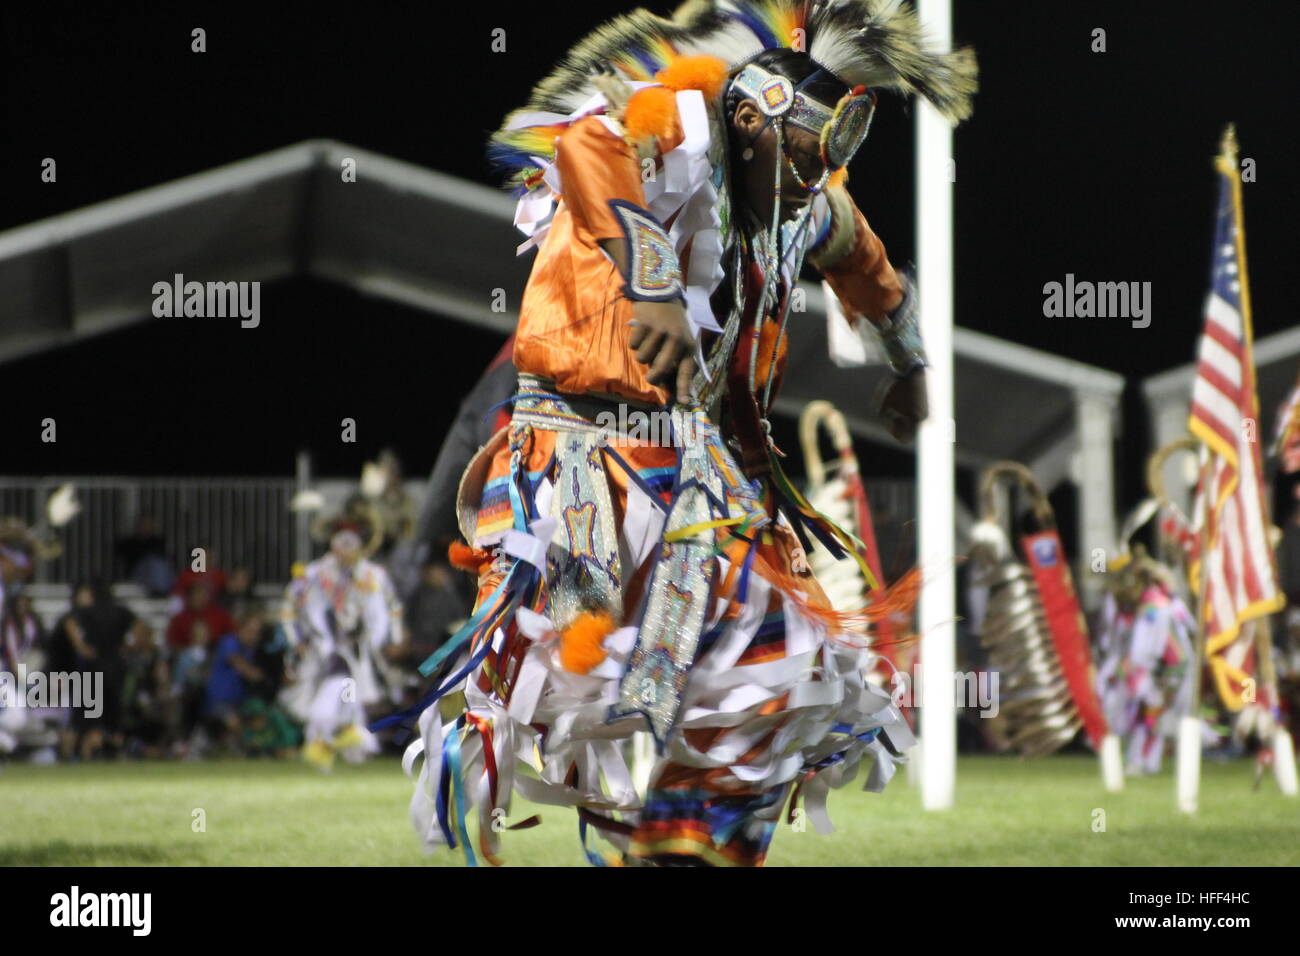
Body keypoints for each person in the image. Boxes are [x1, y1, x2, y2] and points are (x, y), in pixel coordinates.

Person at [388, 0, 976, 866]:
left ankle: (679, 848)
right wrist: (653, 280)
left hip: (695, 475)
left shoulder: (794, 204)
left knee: (784, 664)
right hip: (583, 468)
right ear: (748, 119)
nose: (815, 179)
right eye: (807, 154)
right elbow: (586, 146)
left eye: (828, 164)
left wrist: (911, 362)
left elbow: (867, 264)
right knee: (577, 686)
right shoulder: (668, 138)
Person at [281, 518, 404, 770]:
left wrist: (394, 638)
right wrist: (297, 640)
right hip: (322, 647)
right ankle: (333, 741)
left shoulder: (373, 575)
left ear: (360, 547)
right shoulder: (313, 574)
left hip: (359, 648)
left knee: (347, 692)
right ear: (333, 546)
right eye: (342, 545)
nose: (346, 551)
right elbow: (288, 608)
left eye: (351, 545)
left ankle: (340, 747)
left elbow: (392, 608)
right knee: (335, 688)